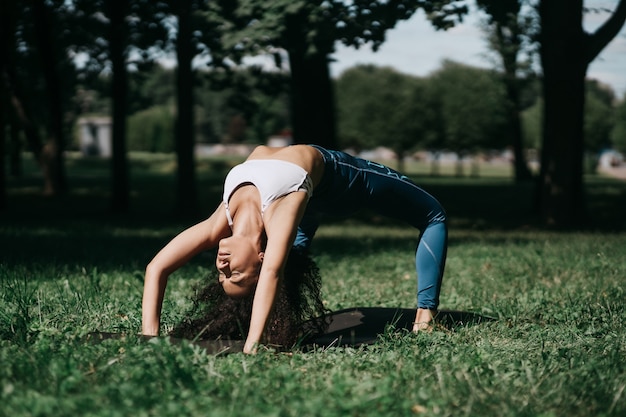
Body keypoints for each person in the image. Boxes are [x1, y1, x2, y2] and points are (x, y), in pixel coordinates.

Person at [142, 144, 448, 354]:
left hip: (306, 195)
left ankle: (279, 322)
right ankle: (426, 314)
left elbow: (156, 268)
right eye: (234, 274)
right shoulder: (279, 218)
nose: (222, 268)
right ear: (259, 258)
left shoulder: (218, 223)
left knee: (292, 251)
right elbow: (272, 272)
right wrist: (252, 346)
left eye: (222, 276)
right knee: (433, 214)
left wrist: (149, 337)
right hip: (341, 185)